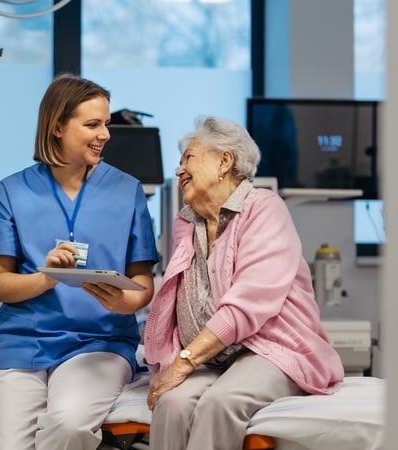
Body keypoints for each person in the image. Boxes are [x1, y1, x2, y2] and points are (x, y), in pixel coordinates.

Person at [0, 73, 159, 450]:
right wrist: (46, 278)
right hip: (21, 344)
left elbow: (142, 281)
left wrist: (126, 301)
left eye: (106, 124)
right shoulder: (10, 193)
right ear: (57, 126)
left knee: (68, 426)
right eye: (92, 124)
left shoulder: (127, 191)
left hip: (99, 344)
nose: (105, 134)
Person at [143, 115, 344, 450]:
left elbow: (248, 304)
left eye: (188, 158)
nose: (179, 171)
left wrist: (184, 362)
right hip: (212, 355)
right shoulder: (185, 223)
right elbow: (173, 300)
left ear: (224, 161)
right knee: (173, 404)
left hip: (268, 350)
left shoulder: (264, 208)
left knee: (220, 402)